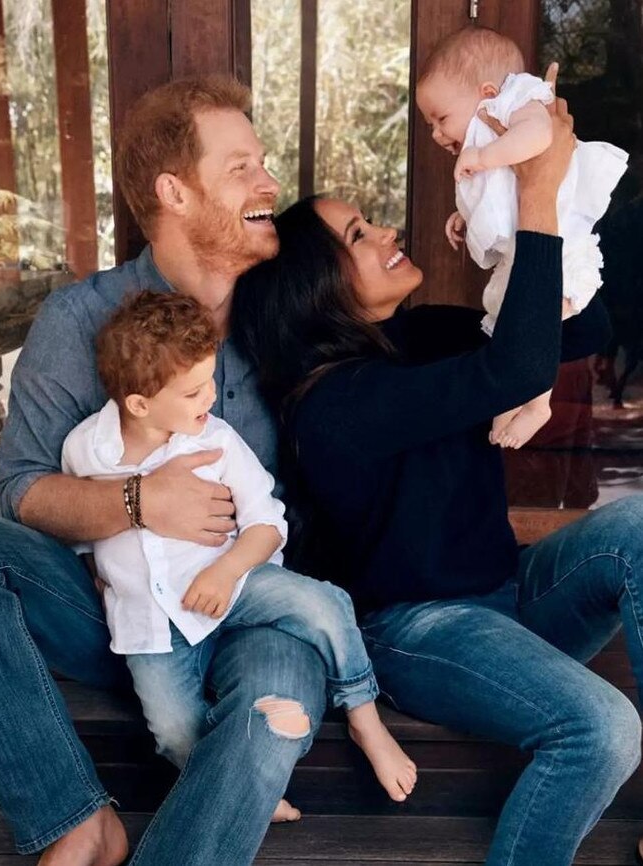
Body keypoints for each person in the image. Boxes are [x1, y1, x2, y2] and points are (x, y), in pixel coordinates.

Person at [232, 89, 643, 866]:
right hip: (420, 632)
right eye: (359, 233)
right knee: (601, 730)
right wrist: (531, 190)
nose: (386, 231)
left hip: (510, 594)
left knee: (637, 531)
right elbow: (513, 366)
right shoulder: (333, 405)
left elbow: (582, 329)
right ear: (317, 289)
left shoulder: (417, 335)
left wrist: (508, 245)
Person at [0, 75, 333, 866]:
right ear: (174, 192)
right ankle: (75, 819)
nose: (269, 183)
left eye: (264, 162)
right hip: (116, 619)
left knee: (271, 709)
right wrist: (141, 501)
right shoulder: (80, 321)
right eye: (241, 165)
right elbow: (19, 491)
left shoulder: (283, 313)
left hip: (252, 606)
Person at [61, 289, 417, 807]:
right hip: (151, 624)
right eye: (192, 392)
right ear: (139, 403)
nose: (209, 398)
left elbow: (268, 523)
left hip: (237, 581)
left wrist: (226, 571)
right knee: (171, 728)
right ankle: (235, 783)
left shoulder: (218, 441)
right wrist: (96, 567)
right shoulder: (85, 449)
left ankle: (365, 717)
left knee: (325, 604)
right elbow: (79, 525)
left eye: (210, 380)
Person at [416, 27, 628, 449]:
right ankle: (515, 395)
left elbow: (539, 138)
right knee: (508, 319)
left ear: (488, 92)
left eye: (441, 119)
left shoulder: (520, 102)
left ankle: (537, 402)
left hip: (560, 244)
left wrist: (483, 155)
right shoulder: (489, 134)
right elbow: (501, 195)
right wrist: (465, 215)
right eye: (429, 125)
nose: (437, 134)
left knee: (537, 321)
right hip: (527, 247)